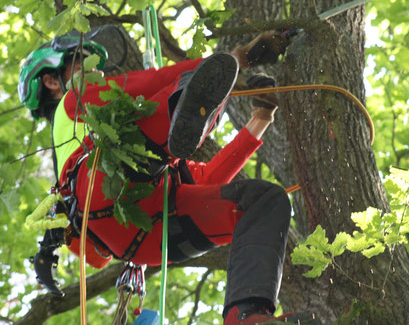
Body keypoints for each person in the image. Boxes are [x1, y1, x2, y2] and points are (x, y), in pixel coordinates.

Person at [18, 30, 311, 325]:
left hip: (145, 232)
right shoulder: (74, 100)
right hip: (102, 190)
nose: (96, 71)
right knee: (147, 117)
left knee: (264, 200)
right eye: (83, 63)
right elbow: (151, 82)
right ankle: (183, 104)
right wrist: (238, 59)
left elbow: (210, 178)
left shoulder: (150, 154)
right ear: (53, 80)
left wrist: (260, 119)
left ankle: (246, 315)